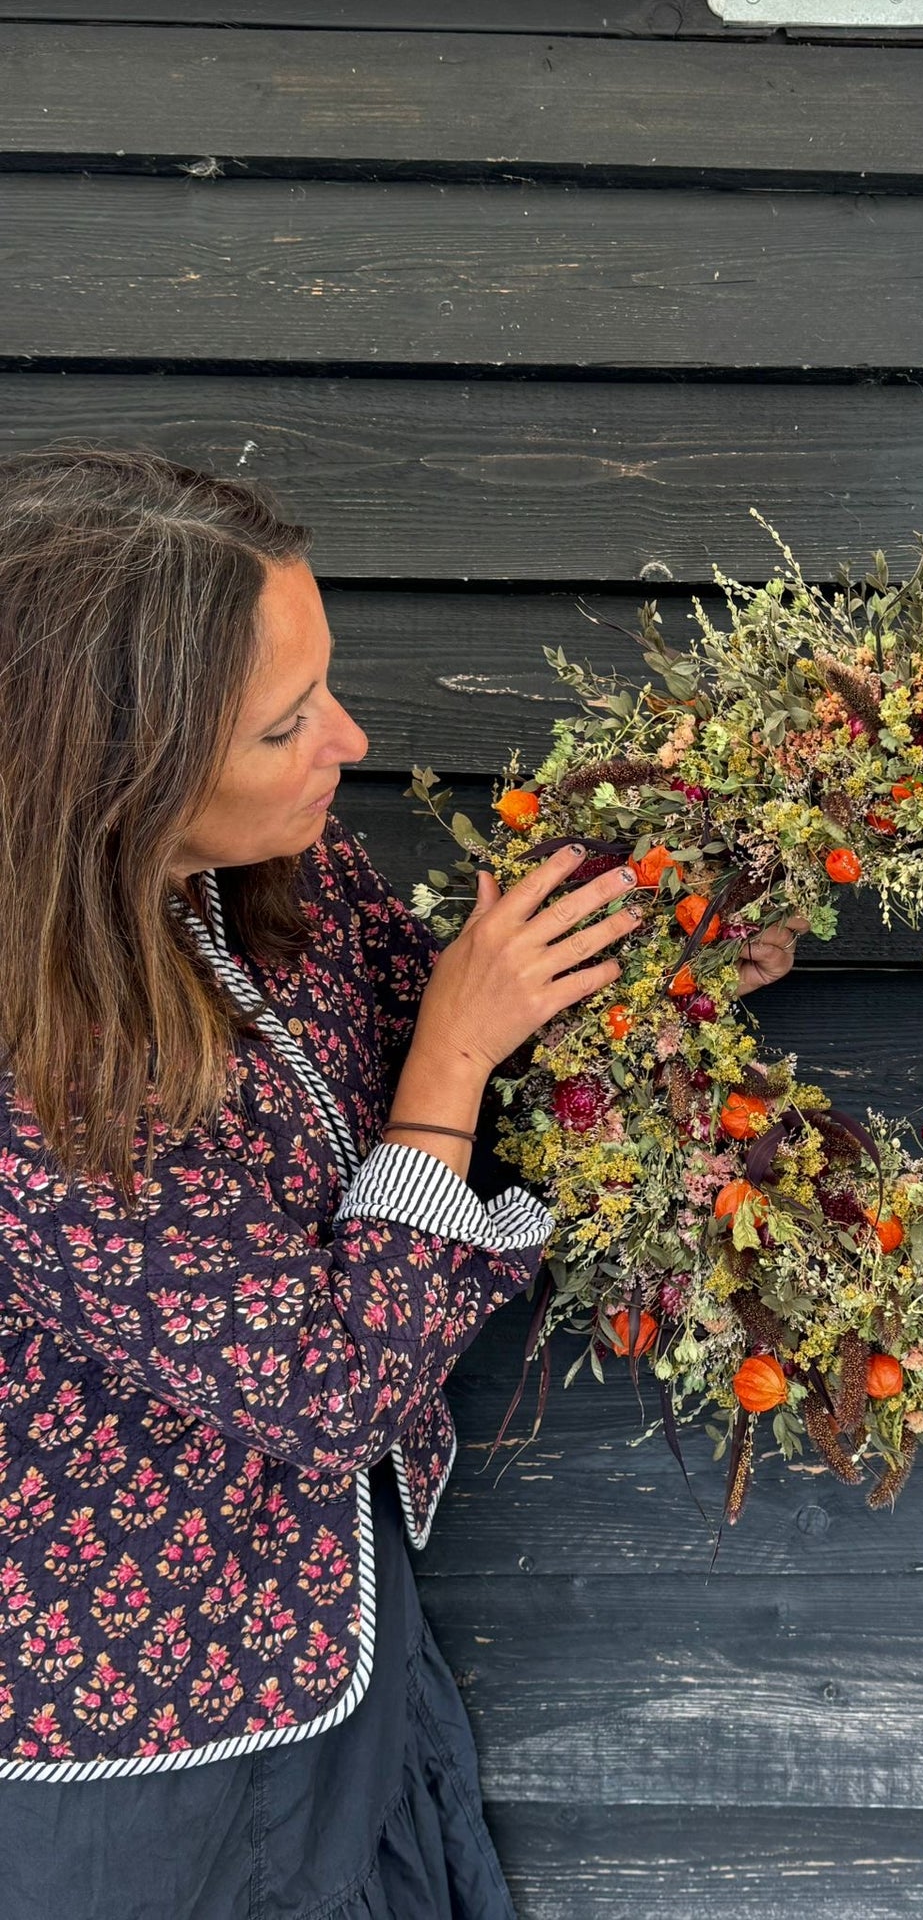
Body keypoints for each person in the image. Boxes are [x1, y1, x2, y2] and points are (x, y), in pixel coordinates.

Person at [0, 446, 802, 1917]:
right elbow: (328, 1391)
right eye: (285, 725)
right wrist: (452, 1059)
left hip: (326, 1643)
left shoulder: (250, 879)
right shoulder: (26, 1075)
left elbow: (411, 1029)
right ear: (113, 771)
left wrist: (656, 954)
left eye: (327, 688)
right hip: (144, 1750)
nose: (350, 741)